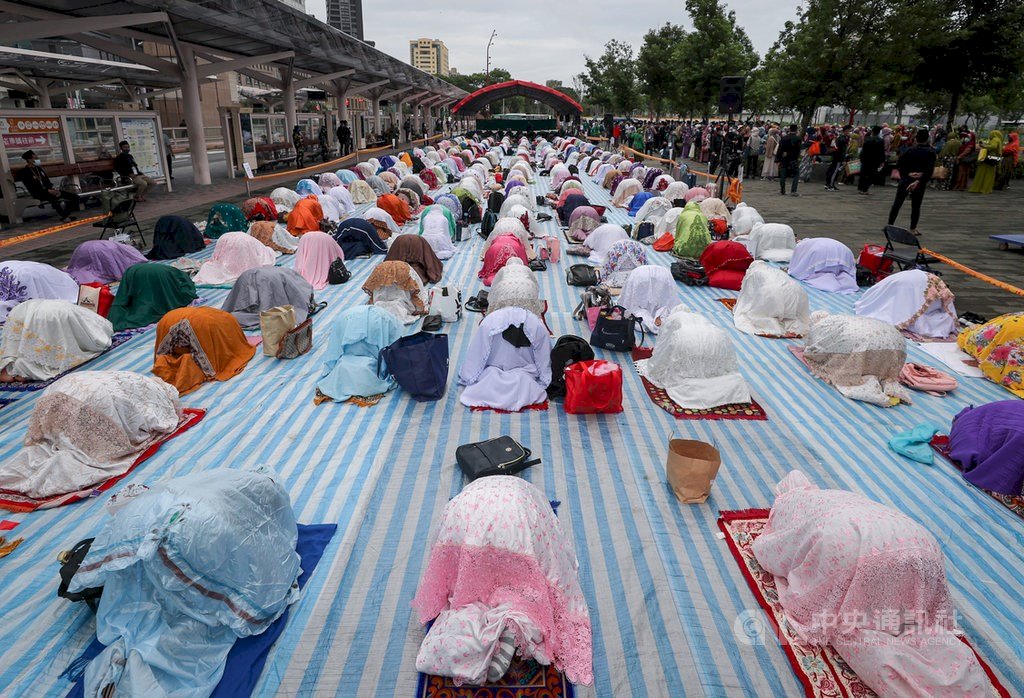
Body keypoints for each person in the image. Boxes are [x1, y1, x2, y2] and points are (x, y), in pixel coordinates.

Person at [752, 470, 990, 697]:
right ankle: (959, 672)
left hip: (854, 554)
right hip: (923, 547)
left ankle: (904, 671)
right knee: (919, 624)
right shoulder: (840, 495)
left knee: (852, 624)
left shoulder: (791, 509)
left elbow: (772, 553)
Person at [412, 476, 592, 686]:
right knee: (530, 587)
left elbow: (439, 541)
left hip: (469, 531)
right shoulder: (531, 497)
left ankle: (494, 630)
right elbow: (553, 548)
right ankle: (512, 625)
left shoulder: (463, 499)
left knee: (480, 568)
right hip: (515, 532)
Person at [0, 300, 113, 382]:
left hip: (39, 314)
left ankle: (12, 370)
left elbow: (11, 349)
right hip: (52, 313)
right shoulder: (97, 326)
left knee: (23, 361)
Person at [888, 129, 937, 235]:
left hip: (906, 178)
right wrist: (920, 178)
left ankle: (890, 224)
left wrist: (907, 174)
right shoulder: (931, 152)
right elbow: (930, 169)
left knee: (897, 203)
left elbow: (899, 164)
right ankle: (913, 228)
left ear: (916, 138)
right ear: (927, 139)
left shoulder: (909, 150)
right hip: (920, 181)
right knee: (916, 206)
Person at [15, 151, 79, 221]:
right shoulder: (25, 172)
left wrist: (53, 190)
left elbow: (47, 181)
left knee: (75, 197)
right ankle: (65, 216)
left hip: (49, 191)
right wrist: (48, 191)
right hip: (38, 193)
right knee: (53, 198)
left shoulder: (38, 169)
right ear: (29, 160)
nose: (37, 159)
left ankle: (66, 214)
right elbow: (33, 187)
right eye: (35, 158)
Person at [857, 126, 885, 195]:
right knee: (872, 174)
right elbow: (881, 152)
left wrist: (861, 158)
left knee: (863, 174)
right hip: (875, 160)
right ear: (879, 132)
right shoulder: (881, 141)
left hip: (866, 159)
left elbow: (863, 150)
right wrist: (882, 161)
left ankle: (861, 188)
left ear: (872, 132)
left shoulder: (867, 139)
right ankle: (865, 189)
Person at [777, 125, 802, 196]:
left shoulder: (784, 138)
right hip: (793, 159)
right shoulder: (797, 139)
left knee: (783, 175)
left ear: (789, 129)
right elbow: (798, 150)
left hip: (784, 158)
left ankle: (782, 190)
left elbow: (780, 149)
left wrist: (778, 158)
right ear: (796, 130)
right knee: (796, 174)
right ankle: (793, 190)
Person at [824, 124, 851, 191]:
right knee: (834, 171)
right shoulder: (843, 139)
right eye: (849, 130)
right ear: (846, 130)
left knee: (832, 169)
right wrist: (843, 158)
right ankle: (831, 185)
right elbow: (842, 149)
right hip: (838, 156)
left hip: (836, 156)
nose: (850, 132)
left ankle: (828, 184)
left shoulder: (839, 137)